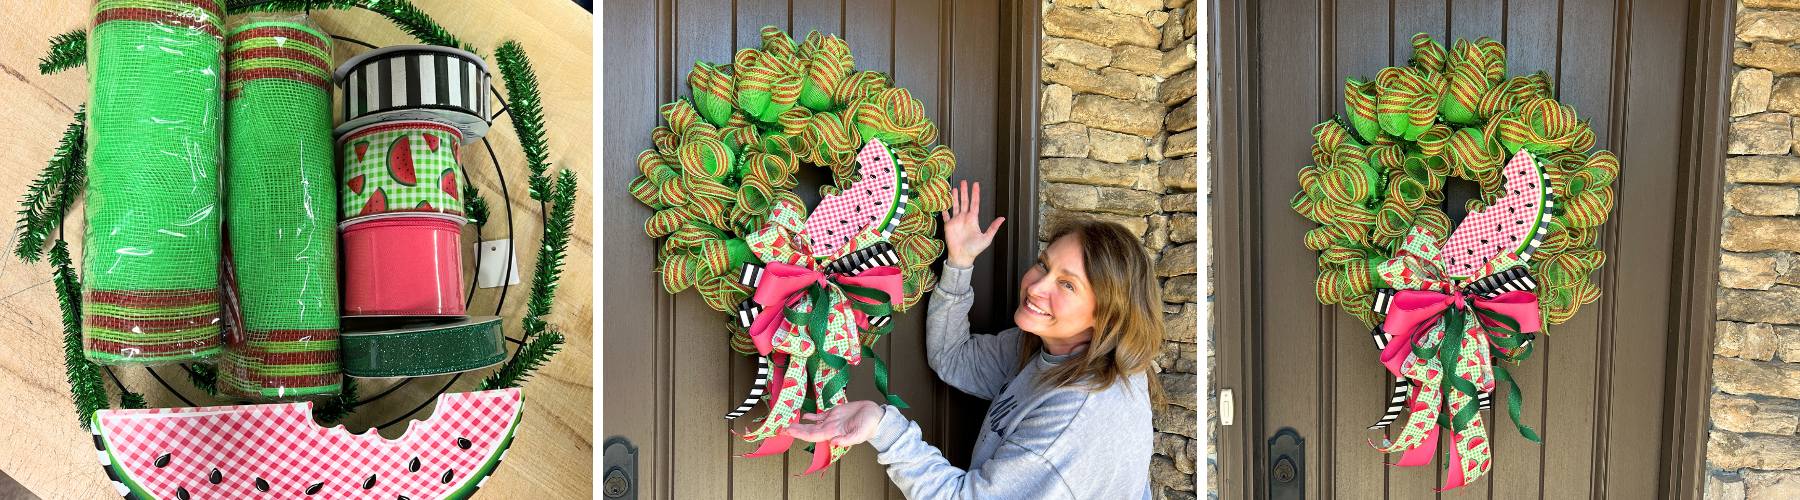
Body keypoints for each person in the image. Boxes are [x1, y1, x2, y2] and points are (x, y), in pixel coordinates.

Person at [785, 180, 1166, 499]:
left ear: (1108, 314)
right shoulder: (1048, 349)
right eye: (1044, 265)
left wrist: (884, 428)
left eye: (1067, 284)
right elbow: (953, 357)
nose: (1036, 287)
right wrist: (959, 263)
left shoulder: (1080, 414)